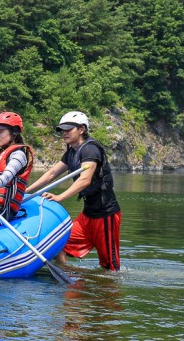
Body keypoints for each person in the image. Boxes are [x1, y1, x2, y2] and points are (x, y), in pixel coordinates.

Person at [26, 111, 122, 270]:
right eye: (62, 130)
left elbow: (85, 180)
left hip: (106, 214)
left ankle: (109, 291)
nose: (64, 133)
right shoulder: (71, 151)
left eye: (68, 129)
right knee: (57, 244)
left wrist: (60, 197)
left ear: (82, 129)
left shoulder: (90, 150)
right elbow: (51, 174)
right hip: (88, 215)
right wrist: (27, 191)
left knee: (110, 266)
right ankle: (68, 276)